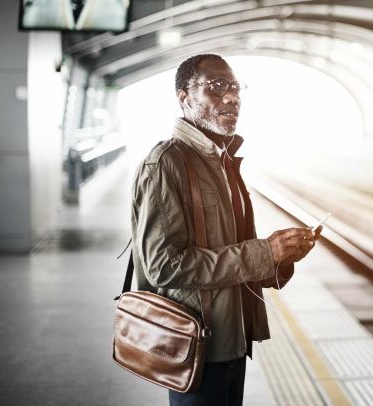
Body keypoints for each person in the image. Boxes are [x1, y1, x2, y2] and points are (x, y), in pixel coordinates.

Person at [129, 54, 319, 406]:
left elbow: (234, 252)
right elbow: (163, 267)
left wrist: (280, 259)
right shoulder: (166, 164)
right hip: (197, 344)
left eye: (234, 87)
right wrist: (263, 253)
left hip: (233, 338)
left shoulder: (223, 160)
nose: (231, 97)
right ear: (184, 97)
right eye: (216, 87)